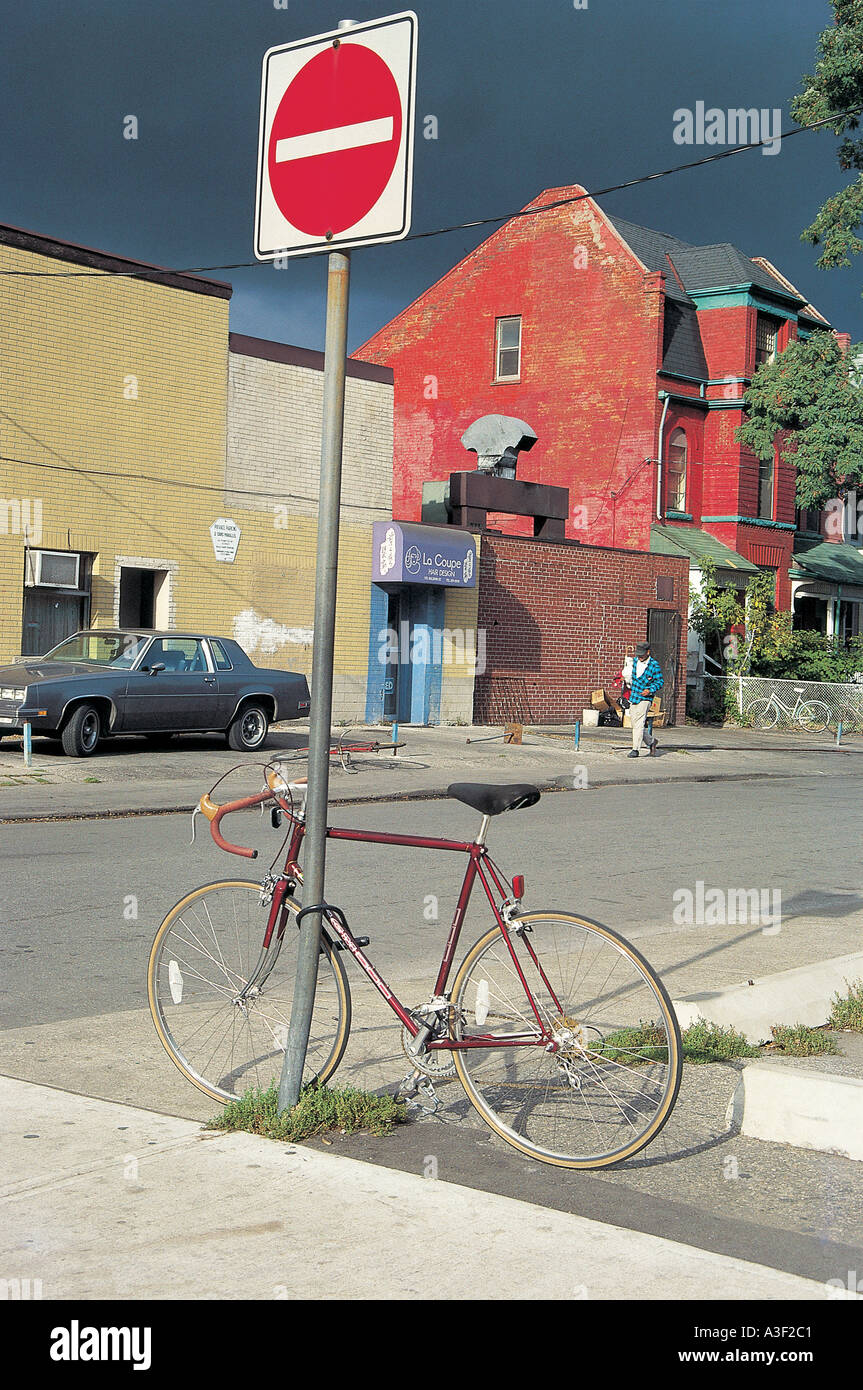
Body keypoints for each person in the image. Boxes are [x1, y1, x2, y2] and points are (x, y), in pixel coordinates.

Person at [626, 641, 663, 757]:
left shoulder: (654, 665)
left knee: (639, 722)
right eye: (638, 654)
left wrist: (650, 690)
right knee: (635, 723)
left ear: (648, 652)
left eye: (642, 654)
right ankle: (651, 742)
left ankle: (635, 749)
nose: (640, 657)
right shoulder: (635, 662)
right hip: (634, 695)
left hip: (646, 697)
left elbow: (660, 681)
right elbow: (630, 675)